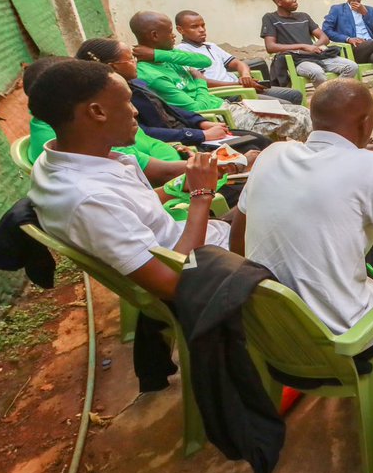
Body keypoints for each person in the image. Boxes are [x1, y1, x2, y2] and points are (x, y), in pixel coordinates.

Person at [231, 78, 373, 413]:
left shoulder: (271, 154)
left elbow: (238, 244)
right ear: (366, 122)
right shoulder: (371, 167)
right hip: (344, 343)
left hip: (272, 334)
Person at [26, 60, 229, 300]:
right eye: (126, 101)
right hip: (210, 271)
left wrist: (179, 186)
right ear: (97, 112)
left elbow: (131, 209)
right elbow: (173, 283)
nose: (135, 111)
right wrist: (201, 196)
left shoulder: (64, 157)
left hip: (196, 240)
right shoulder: (89, 200)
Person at [132, 11, 312, 142]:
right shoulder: (152, 76)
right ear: (155, 35)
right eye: (170, 31)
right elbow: (194, 108)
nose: (173, 36)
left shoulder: (168, 59)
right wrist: (200, 83)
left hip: (228, 104)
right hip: (218, 115)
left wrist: (157, 54)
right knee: (298, 120)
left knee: (303, 111)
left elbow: (203, 61)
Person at [77, 38, 270, 153]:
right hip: (182, 143)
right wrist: (200, 134)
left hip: (192, 129)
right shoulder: (116, 100)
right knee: (253, 146)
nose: (135, 62)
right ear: (112, 67)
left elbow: (169, 108)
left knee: (254, 139)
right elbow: (145, 132)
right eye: (130, 59)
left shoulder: (136, 83)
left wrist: (200, 122)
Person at [22, 56, 186, 186]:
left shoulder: (97, 131)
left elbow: (149, 144)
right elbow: (161, 174)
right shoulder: (86, 137)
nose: (135, 111)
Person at [173, 10, 304, 105]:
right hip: (227, 94)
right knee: (284, 104)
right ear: (180, 30)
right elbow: (202, 83)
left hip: (240, 87)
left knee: (295, 95)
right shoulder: (182, 52)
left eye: (203, 25)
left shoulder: (211, 46)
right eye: (194, 27)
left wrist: (245, 76)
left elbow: (238, 64)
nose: (202, 30)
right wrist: (238, 84)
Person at [262, 0, 360, 88]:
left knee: (352, 67)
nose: (295, 0)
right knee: (317, 72)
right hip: (297, 61)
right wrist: (303, 47)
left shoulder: (304, 16)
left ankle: (333, 94)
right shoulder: (270, 18)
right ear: (279, 2)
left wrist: (313, 47)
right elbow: (271, 47)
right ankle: (328, 99)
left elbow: (324, 38)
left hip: (317, 56)